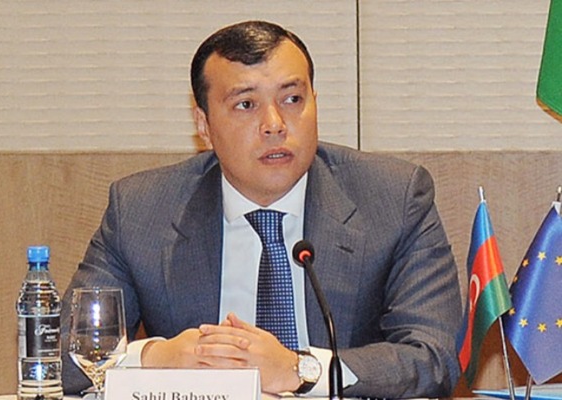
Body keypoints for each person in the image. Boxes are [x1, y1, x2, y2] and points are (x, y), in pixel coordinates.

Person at [60, 20, 462, 398]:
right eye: (246, 104)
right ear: (203, 124)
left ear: (316, 103)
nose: (274, 124)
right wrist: (156, 357)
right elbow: (60, 355)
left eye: (292, 99)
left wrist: (300, 369)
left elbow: (433, 357)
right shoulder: (142, 210)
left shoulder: (392, 198)